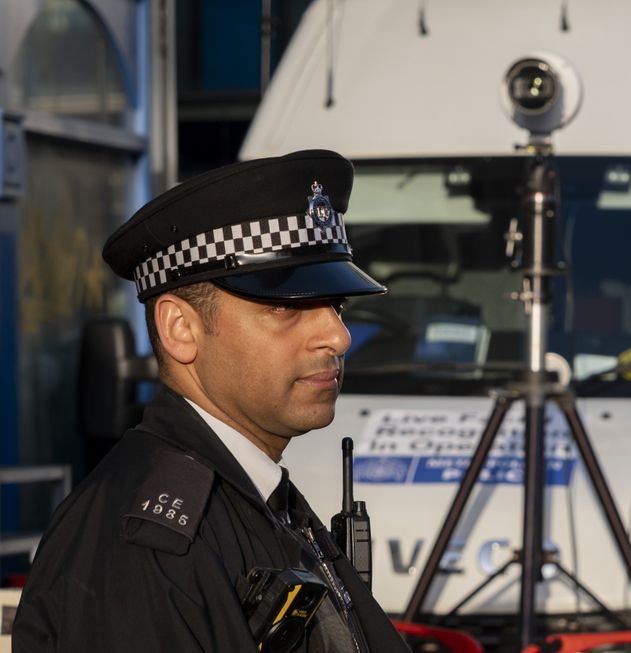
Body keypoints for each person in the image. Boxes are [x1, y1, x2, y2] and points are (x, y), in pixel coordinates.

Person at [12, 150, 411, 652]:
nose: (337, 335)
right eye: (287, 308)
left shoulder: (250, 495)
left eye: (335, 305)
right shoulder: (151, 548)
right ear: (181, 329)